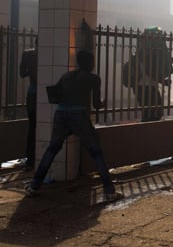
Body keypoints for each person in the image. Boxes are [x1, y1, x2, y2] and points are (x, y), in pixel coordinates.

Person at [24, 50, 123, 202]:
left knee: (52, 149)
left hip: (61, 114)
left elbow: (55, 95)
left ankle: (34, 186)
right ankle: (109, 191)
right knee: (96, 152)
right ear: (91, 62)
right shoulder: (93, 78)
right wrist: (103, 103)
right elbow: (96, 105)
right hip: (79, 116)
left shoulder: (66, 76)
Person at [133, 26, 173, 122]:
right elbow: (148, 71)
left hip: (149, 87)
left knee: (153, 112)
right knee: (152, 113)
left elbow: (166, 59)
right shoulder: (144, 53)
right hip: (144, 88)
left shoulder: (150, 51)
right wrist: (162, 81)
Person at [19, 37, 38, 170]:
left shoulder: (28, 54)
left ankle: (30, 160)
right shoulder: (46, 55)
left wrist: (31, 69)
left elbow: (22, 73)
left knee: (32, 128)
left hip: (32, 93)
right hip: (45, 94)